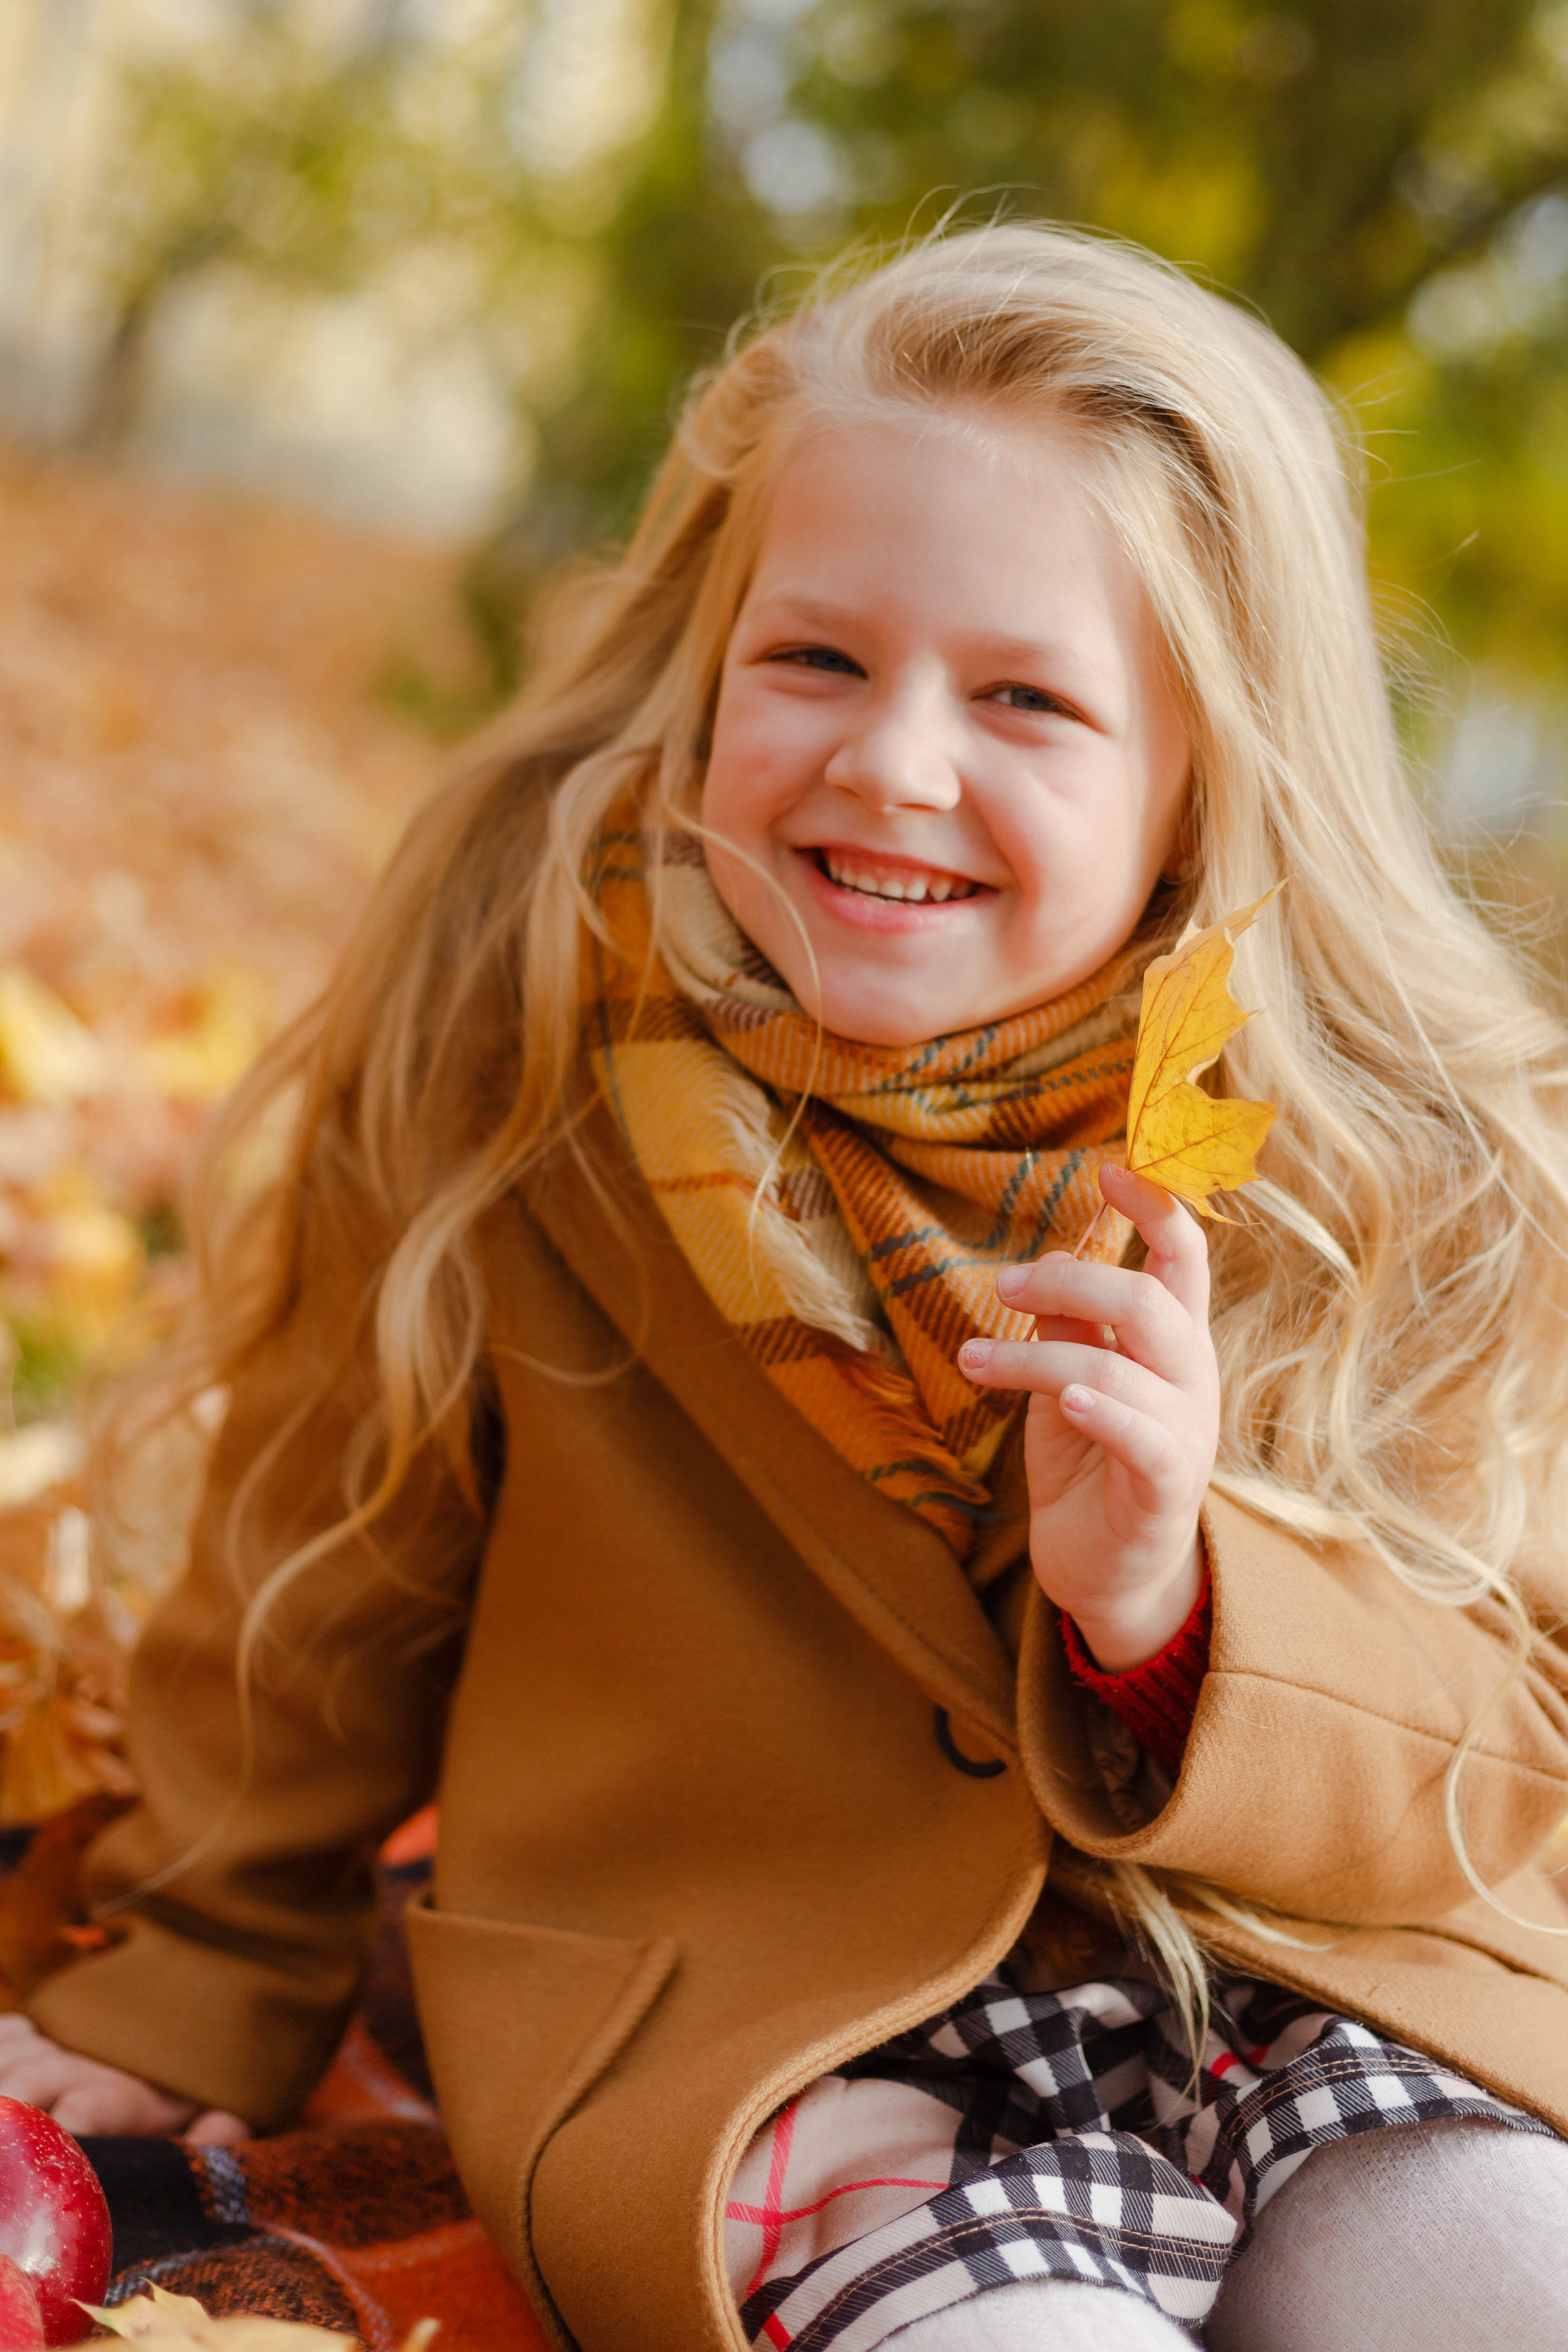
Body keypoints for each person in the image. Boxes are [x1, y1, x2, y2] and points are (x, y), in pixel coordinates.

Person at [1, 224, 1566, 2352]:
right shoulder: (540, 1032)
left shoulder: (1374, 1153)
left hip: (1299, 1986)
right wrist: (202, 1954)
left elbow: (1522, 1743)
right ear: (712, 655)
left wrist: (1173, 1617)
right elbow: (333, 1533)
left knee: (1504, 2280)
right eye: (817, 661)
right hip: (776, 2040)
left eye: (1028, 699)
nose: (895, 764)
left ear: (1210, 776)